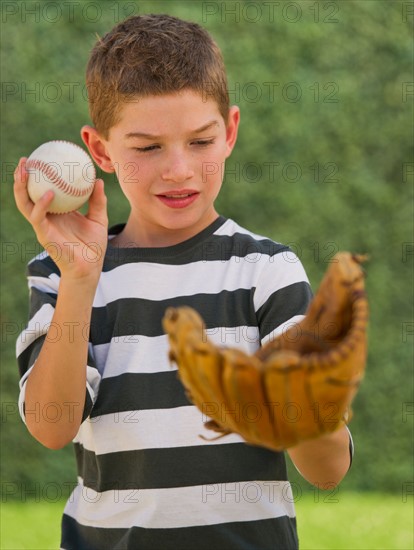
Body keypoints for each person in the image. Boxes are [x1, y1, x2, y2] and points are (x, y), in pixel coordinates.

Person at [14, 13, 353, 550]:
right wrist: (81, 277)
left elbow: (328, 469)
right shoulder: (63, 272)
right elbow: (51, 426)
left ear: (230, 132)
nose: (179, 169)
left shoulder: (268, 272)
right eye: (147, 148)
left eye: (200, 141)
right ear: (100, 150)